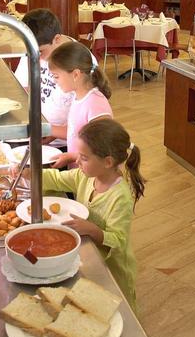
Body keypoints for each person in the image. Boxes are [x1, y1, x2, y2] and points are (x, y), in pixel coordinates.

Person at [41, 118, 143, 310]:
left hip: (113, 268)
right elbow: (56, 179)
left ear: (108, 162)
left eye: (84, 158)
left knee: (118, 308)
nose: (77, 161)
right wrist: (30, 174)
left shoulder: (120, 197)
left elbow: (119, 240)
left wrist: (94, 230)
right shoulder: (86, 176)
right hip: (90, 257)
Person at [48, 41, 113, 168]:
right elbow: (75, 131)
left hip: (91, 177)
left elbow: (102, 151)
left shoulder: (95, 104)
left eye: (56, 76)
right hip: (78, 173)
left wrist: (71, 157)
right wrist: (50, 132)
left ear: (76, 74)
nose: (55, 81)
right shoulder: (78, 96)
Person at [14, 9, 73, 146]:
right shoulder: (33, 50)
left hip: (64, 142)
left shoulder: (78, 60)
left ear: (57, 39)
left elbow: (85, 116)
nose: (35, 57)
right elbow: (23, 89)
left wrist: (53, 132)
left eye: (40, 52)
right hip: (36, 135)